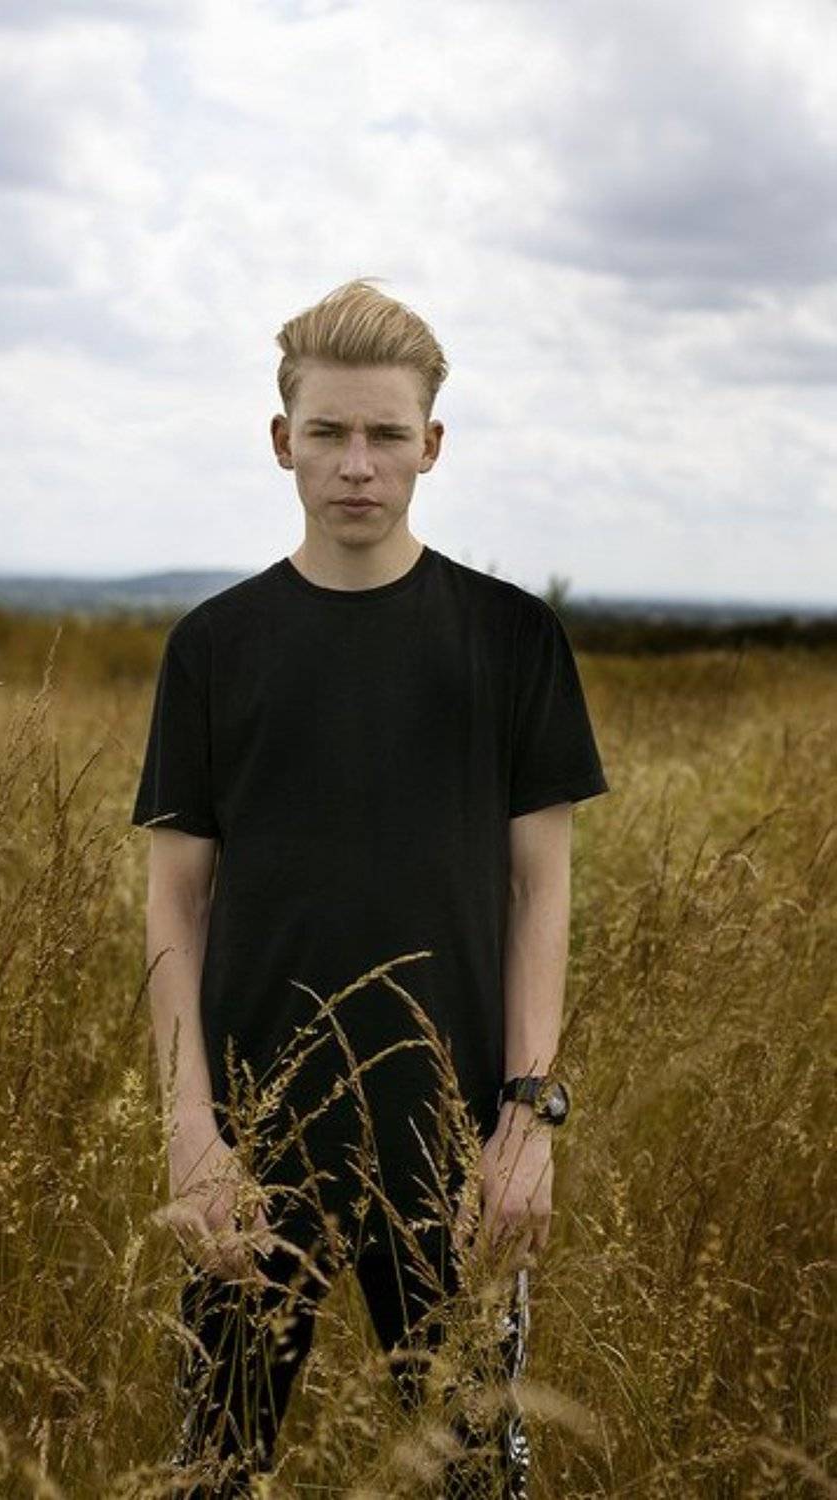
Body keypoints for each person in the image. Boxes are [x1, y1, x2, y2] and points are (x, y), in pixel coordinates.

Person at [130, 277, 611, 1496]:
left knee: (471, 1477)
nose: (357, 464)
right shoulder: (213, 647)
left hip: (451, 1140)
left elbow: (538, 889)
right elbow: (175, 901)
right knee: (215, 1469)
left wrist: (527, 1121)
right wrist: (192, 1130)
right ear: (281, 440)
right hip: (250, 1138)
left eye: (386, 434)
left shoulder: (509, 640)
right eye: (329, 433)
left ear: (430, 447)